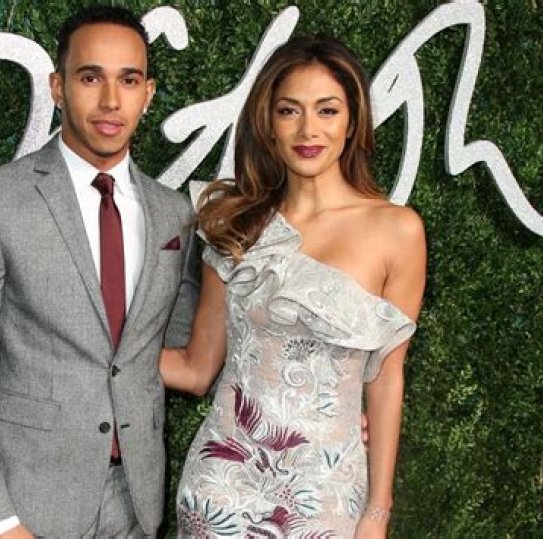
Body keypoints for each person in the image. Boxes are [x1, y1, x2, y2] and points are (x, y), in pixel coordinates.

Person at [0, 6, 197, 538]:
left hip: (137, 504)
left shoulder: (174, 214)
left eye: (129, 80)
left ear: (148, 94)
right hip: (29, 503)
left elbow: (179, 352)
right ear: (58, 87)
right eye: (90, 77)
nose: (111, 100)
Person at [161, 35, 426, 538]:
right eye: (289, 111)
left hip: (326, 494)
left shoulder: (398, 231)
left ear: (353, 121)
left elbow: (387, 378)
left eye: (327, 110)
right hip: (222, 487)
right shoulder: (233, 221)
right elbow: (198, 367)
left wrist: (378, 510)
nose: (308, 130)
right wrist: (92, 354)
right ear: (268, 123)